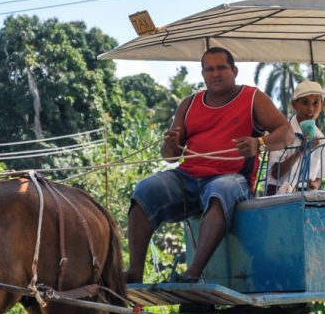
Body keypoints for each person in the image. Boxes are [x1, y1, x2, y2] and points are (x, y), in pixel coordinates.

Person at [126, 47, 294, 284]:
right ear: (203, 74)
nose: (215, 74)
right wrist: (171, 144)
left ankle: (193, 273)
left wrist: (260, 143)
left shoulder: (252, 98)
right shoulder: (189, 104)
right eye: (209, 69)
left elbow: (287, 133)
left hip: (233, 179)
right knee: (144, 191)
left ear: (234, 71)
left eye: (221, 68)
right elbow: (170, 157)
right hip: (187, 178)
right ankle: (134, 273)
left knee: (220, 190)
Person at [265, 79, 325, 195]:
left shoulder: (321, 139)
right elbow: (275, 173)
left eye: (316, 103)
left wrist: (314, 185)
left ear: (322, 106)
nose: (311, 109)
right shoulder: (281, 133)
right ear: (294, 105)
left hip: (305, 196)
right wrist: (300, 151)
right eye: (305, 102)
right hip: (277, 195)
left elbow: (318, 177)